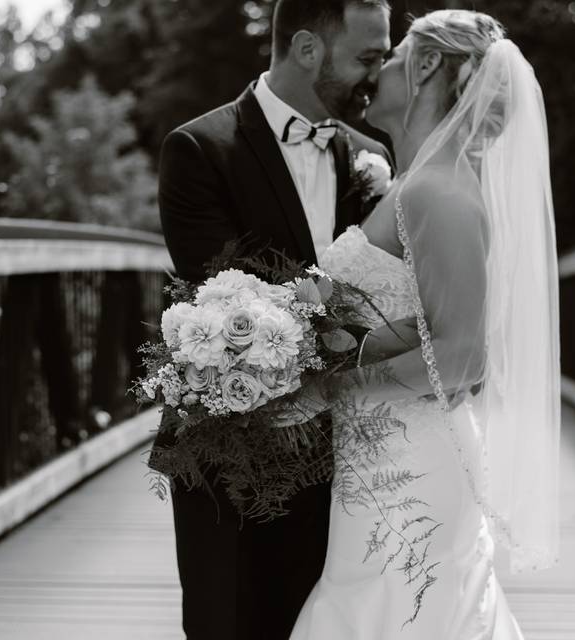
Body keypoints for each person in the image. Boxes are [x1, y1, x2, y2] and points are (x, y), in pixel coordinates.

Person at [285, 10, 562, 639]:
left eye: (394, 53)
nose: (376, 69)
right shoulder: (418, 184)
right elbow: (425, 326)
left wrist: (327, 390)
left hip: (413, 467)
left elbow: (465, 357)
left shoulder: (438, 193)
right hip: (380, 457)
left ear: (428, 64)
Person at [150, 1, 394, 638]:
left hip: (347, 452)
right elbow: (226, 296)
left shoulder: (373, 158)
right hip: (235, 449)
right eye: (368, 57)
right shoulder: (201, 149)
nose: (381, 72)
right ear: (308, 49)